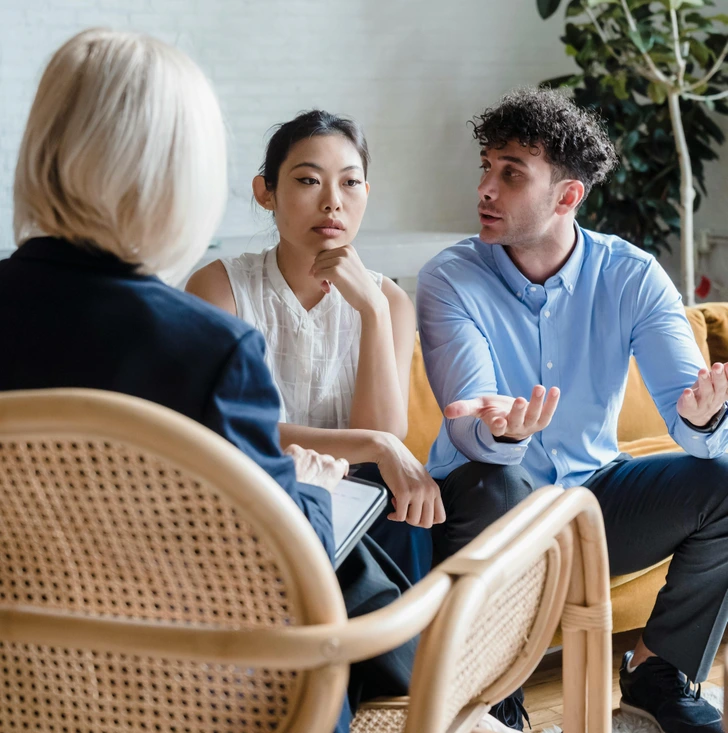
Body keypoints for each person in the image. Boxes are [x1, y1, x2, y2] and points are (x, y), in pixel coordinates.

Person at [0, 28, 415, 732]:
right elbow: (276, 574)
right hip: (204, 694)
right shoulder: (206, 349)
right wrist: (311, 493)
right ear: (178, 176)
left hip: (26, 685)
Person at [417, 87, 728, 733]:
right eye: (486, 166)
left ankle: (657, 675)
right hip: (481, 509)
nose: (485, 188)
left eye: (511, 173)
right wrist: (502, 434)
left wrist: (703, 418)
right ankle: (494, 699)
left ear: (568, 195)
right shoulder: (450, 277)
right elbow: (469, 424)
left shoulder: (632, 276)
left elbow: (691, 417)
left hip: (591, 500)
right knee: (496, 479)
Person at [187, 110, 444, 583]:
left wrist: (373, 311)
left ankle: (404, 632)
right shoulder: (220, 287)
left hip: (359, 497)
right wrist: (376, 446)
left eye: (350, 183)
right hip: (256, 492)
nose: (332, 203)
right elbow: (227, 430)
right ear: (266, 192)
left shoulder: (388, 301)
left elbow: (382, 436)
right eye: (308, 180)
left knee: (402, 509)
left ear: (366, 193)